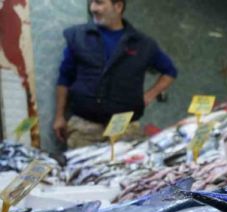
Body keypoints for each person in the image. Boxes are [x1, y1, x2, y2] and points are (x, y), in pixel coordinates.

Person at [53, 0, 177, 149]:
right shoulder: (77, 36)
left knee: (128, 170)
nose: (93, 8)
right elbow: (64, 78)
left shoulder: (143, 43)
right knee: (82, 171)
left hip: (125, 128)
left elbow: (169, 72)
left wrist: (148, 96)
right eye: (91, 2)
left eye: (99, 3)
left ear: (118, 7)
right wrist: (59, 116)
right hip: (84, 128)